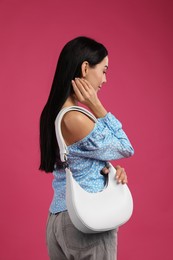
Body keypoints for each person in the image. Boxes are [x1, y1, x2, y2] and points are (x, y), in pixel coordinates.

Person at [39, 36, 134, 260]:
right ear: (84, 68)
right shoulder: (76, 118)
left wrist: (108, 170)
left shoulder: (53, 112)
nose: (105, 79)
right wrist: (96, 105)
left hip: (58, 220)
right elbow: (126, 147)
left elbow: (79, 161)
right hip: (86, 223)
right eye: (103, 70)